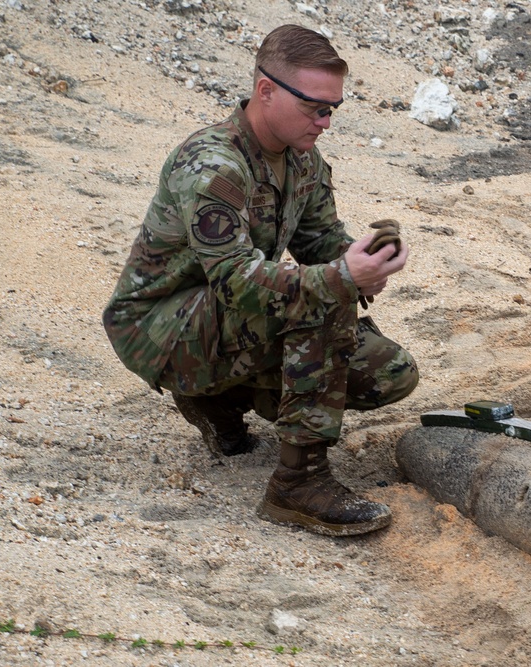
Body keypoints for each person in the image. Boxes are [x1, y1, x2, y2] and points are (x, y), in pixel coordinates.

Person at [102, 25, 419, 537]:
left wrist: (365, 260)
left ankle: (217, 398)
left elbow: (319, 242)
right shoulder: (214, 165)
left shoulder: (302, 159)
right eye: (315, 106)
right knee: (319, 300)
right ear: (266, 91)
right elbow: (236, 282)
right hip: (158, 327)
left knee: (389, 373)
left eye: (333, 108)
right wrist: (340, 279)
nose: (326, 121)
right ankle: (298, 483)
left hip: (222, 318)